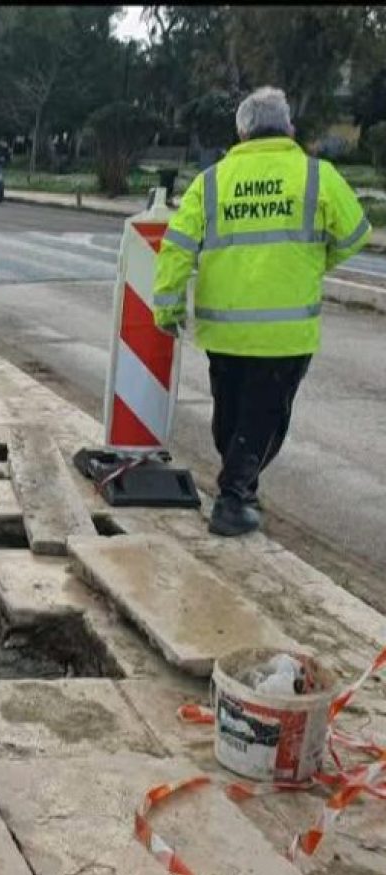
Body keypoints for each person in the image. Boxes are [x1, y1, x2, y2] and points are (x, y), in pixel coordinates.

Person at [153, 86, 371, 537]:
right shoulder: (317, 176)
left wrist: (168, 305)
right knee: (265, 416)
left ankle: (239, 487)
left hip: (224, 328)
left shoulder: (211, 181)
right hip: (284, 333)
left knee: (231, 416)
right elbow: (355, 236)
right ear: (289, 127)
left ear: (240, 131)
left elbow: (177, 247)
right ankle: (233, 499)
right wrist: (312, 260)